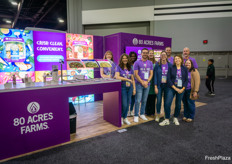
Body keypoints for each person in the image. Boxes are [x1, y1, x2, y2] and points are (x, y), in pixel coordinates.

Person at [159, 54, 188, 126]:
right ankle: (167, 119)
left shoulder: (184, 68)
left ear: (181, 59)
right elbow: (168, 79)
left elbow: (186, 80)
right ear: (174, 60)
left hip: (181, 88)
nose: (177, 60)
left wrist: (182, 89)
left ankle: (175, 117)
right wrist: (175, 88)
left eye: (178, 58)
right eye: (175, 59)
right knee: (167, 103)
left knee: (178, 104)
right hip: (171, 87)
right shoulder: (171, 67)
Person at [133, 48, 153, 122]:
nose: (145, 54)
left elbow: (151, 74)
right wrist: (142, 82)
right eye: (143, 53)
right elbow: (135, 74)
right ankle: (136, 115)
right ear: (141, 54)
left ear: (148, 54)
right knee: (138, 100)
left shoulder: (150, 63)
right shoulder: (137, 62)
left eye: (146, 53)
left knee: (144, 100)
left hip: (147, 84)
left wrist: (147, 81)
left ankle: (142, 114)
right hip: (139, 84)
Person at [115, 54, 136, 125]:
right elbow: (117, 77)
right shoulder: (118, 67)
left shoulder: (130, 67)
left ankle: (125, 118)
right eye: (123, 58)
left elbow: (133, 79)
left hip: (130, 87)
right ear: (121, 59)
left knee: (127, 104)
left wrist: (134, 89)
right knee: (124, 104)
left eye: (126, 58)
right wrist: (127, 79)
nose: (125, 60)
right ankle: (121, 117)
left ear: (128, 59)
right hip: (123, 87)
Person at [154, 51, 172, 122]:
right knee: (158, 101)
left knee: (166, 101)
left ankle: (165, 114)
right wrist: (155, 86)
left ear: (166, 56)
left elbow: (172, 76)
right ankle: (158, 114)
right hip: (159, 85)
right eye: (162, 55)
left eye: (164, 55)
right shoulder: (157, 65)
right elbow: (155, 76)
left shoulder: (170, 65)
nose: (163, 56)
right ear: (160, 56)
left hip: (167, 86)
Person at [145, 49, 156, 116]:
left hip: (153, 82)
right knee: (146, 97)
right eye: (150, 53)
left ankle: (152, 111)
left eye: (152, 53)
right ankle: (146, 111)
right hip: (146, 82)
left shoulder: (156, 63)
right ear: (148, 54)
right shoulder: (145, 62)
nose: (151, 54)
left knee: (153, 98)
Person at [128, 51, 138, 116]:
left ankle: (131, 110)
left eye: (134, 56)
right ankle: (127, 111)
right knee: (128, 98)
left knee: (133, 98)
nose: (133, 58)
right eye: (131, 56)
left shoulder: (137, 64)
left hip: (135, 83)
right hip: (128, 83)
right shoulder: (127, 65)